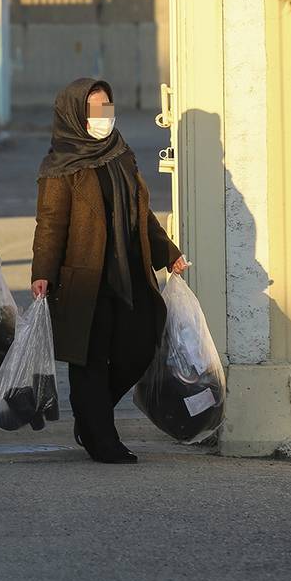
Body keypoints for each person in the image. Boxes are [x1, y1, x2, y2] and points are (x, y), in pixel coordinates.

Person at [31, 78, 188, 464]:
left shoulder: (121, 153)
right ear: (75, 115)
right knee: (90, 359)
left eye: (107, 108)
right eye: (95, 109)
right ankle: (101, 439)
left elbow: (141, 212)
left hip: (128, 271)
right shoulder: (60, 166)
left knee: (139, 348)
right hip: (84, 277)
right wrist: (42, 272)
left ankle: (90, 415)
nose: (104, 117)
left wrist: (168, 252)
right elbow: (50, 223)